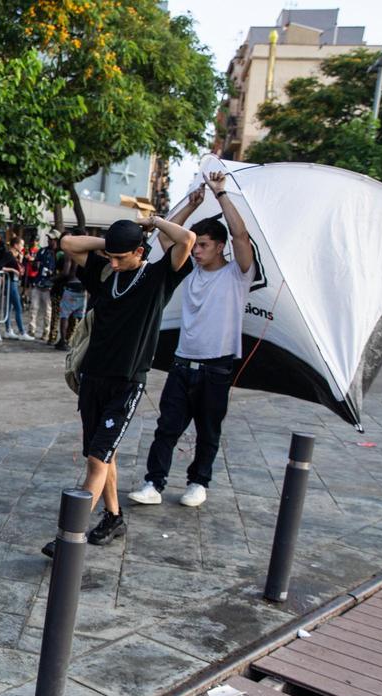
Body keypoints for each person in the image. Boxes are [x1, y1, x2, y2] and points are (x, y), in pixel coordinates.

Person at [42, 215, 195, 556]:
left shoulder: (157, 277)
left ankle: (70, 536)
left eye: (120, 257)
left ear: (140, 251)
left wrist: (153, 222)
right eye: (110, 257)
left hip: (126, 383)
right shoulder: (107, 274)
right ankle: (114, 516)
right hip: (92, 379)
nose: (112, 262)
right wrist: (110, 244)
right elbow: (68, 244)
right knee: (102, 457)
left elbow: (186, 239)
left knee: (97, 460)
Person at [128, 173, 254, 509]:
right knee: (166, 428)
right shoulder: (190, 270)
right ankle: (153, 483)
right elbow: (166, 240)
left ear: (220, 246)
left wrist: (221, 193)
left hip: (217, 367)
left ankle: (199, 482)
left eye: (204, 246)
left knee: (208, 431)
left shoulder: (237, 274)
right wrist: (191, 205)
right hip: (182, 364)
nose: (196, 251)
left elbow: (241, 234)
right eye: (195, 245)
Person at [0, 237, 31, 340]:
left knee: (9, 307)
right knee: (18, 307)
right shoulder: (8, 254)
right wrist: (12, 269)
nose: (22, 247)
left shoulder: (16, 255)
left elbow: (20, 270)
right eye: (21, 244)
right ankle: (22, 332)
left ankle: (8, 330)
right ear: (15, 245)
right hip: (10, 283)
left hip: (14, 282)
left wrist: (20, 260)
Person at [28, 234, 59, 341]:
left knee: (47, 311)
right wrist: (35, 264)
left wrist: (52, 274)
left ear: (56, 240)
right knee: (33, 308)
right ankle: (31, 330)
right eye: (49, 239)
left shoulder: (59, 253)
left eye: (51, 239)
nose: (49, 241)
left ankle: (46, 332)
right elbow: (35, 263)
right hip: (39, 282)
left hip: (49, 286)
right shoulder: (43, 251)